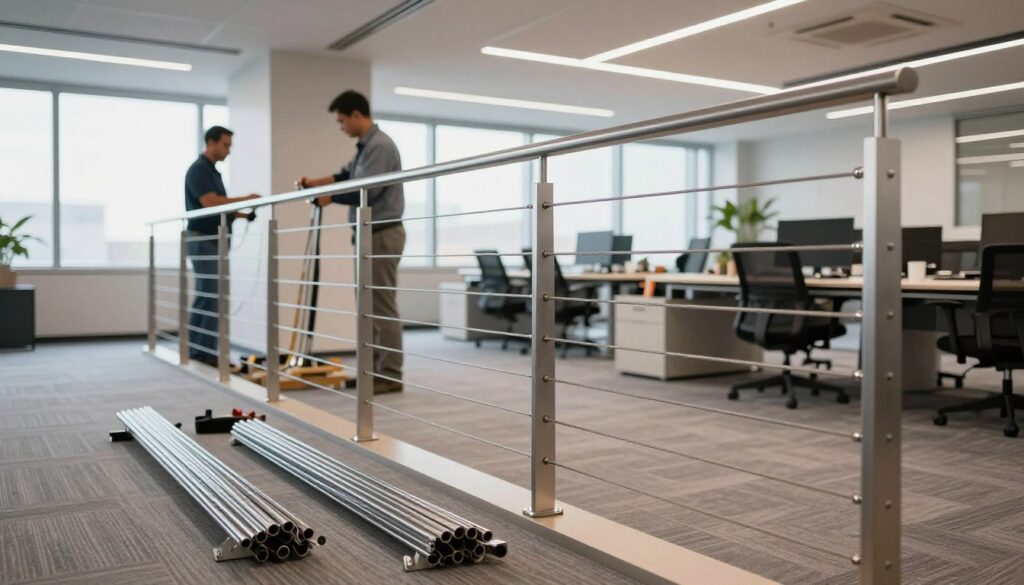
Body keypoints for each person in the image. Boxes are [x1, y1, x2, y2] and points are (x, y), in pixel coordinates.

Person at [297, 90, 405, 393]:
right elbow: (346, 175)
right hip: (369, 234)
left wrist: (329, 197)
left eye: (342, 120)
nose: (341, 126)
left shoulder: (380, 146)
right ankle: (374, 372)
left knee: (381, 306)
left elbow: (367, 190)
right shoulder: (365, 147)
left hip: (383, 233)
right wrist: (317, 183)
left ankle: (390, 375)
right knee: (367, 306)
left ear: (357, 114)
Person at [184, 126, 260, 366]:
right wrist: (245, 199)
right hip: (202, 239)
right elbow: (210, 203)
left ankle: (202, 350)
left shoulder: (213, 173)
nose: (228, 151)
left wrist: (242, 215)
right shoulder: (198, 170)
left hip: (213, 240)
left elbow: (219, 207)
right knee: (208, 293)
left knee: (211, 295)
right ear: (211, 142)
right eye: (225, 145)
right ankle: (201, 351)